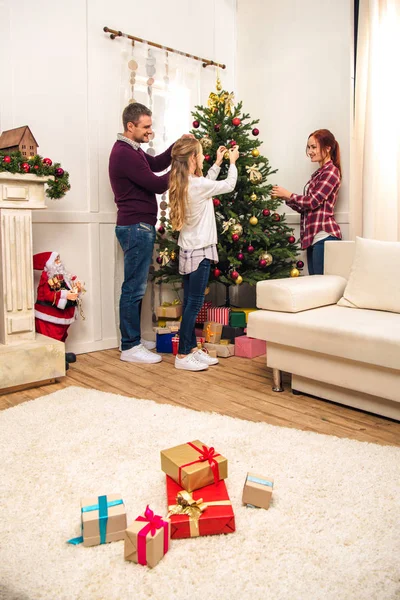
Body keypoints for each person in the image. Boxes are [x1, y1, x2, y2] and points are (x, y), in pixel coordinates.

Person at [109, 102, 191, 364]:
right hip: (135, 227)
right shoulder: (124, 153)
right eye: (146, 127)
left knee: (136, 286)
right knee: (132, 288)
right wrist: (181, 167)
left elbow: (155, 163)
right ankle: (130, 346)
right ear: (130, 126)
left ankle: (132, 340)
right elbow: (156, 183)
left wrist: (176, 146)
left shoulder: (133, 150)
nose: (150, 131)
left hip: (139, 226)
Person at [169, 138, 239, 371]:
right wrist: (232, 162)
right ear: (192, 159)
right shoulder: (197, 185)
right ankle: (182, 355)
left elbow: (206, 183)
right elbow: (228, 185)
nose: (202, 158)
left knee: (190, 300)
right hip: (200, 251)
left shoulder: (187, 183)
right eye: (200, 155)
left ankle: (190, 349)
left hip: (188, 249)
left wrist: (217, 163)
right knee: (195, 303)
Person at [272, 129, 342, 275]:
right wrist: (286, 197)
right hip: (313, 238)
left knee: (320, 287)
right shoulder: (318, 174)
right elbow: (307, 208)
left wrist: (289, 194)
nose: (310, 151)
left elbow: (312, 201)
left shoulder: (331, 172)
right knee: (314, 286)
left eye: (314, 147)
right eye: (308, 147)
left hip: (324, 237)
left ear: (328, 148)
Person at [33, 251, 84, 370]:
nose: (59, 262)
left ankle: (59, 354)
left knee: (62, 335)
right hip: (49, 315)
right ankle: (52, 358)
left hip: (62, 315)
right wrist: (66, 295)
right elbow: (47, 295)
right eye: (56, 260)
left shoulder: (62, 276)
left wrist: (77, 287)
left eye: (59, 259)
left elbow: (71, 282)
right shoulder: (47, 278)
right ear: (49, 264)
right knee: (52, 337)